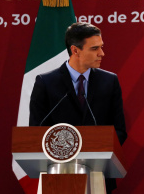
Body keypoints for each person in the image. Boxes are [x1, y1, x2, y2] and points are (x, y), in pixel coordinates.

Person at [29, 22, 127, 193]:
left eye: (101, 47)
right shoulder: (46, 83)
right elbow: (37, 130)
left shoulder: (109, 82)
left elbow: (119, 130)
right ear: (75, 50)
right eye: (95, 48)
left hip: (99, 176)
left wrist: (96, 149)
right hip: (57, 176)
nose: (102, 53)